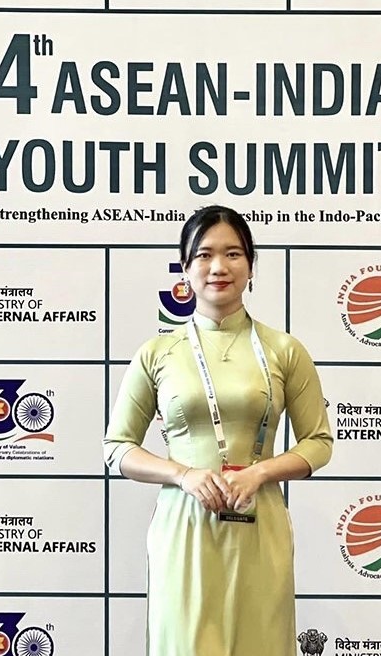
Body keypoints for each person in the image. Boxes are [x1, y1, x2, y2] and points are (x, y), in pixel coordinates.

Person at [104, 205, 333, 656]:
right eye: (204, 255)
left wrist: (260, 473)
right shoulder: (157, 352)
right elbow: (118, 447)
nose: (218, 267)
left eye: (233, 254)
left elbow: (319, 443)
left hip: (259, 523)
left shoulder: (285, 350)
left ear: (251, 265)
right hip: (184, 527)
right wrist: (183, 475)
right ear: (185, 267)